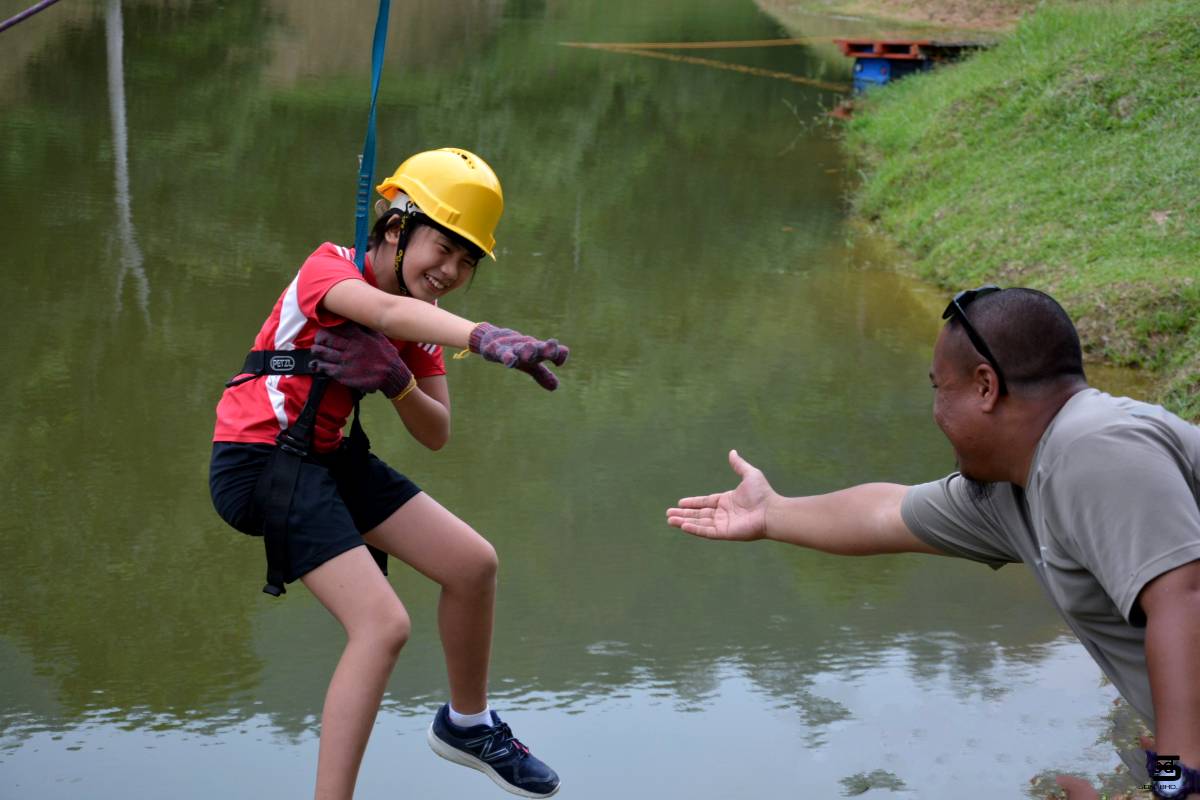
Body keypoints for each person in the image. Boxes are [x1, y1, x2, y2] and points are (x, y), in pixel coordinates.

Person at [666, 286, 1200, 800]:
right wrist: (772, 513)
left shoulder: (1093, 447)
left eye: (938, 388)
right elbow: (885, 514)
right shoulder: (1017, 487)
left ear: (985, 386)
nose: (936, 412)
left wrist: (1175, 784)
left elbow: (1185, 604)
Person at [210, 148, 565, 800]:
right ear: (397, 229)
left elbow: (436, 431)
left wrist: (398, 381)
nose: (451, 271)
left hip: (325, 458)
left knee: (473, 565)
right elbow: (387, 315)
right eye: (444, 248)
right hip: (260, 461)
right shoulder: (328, 270)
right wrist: (481, 336)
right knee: (382, 625)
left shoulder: (420, 321)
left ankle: (467, 725)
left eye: (467, 262)